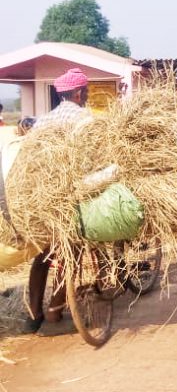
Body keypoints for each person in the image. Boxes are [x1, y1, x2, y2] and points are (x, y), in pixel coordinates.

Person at [24, 67, 92, 333]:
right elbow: (88, 157)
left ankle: (33, 314)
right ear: (77, 92)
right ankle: (54, 311)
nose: (86, 96)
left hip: (41, 195)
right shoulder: (83, 118)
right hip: (68, 195)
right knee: (71, 251)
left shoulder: (43, 121)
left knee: (43, 254)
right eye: (85, 92)